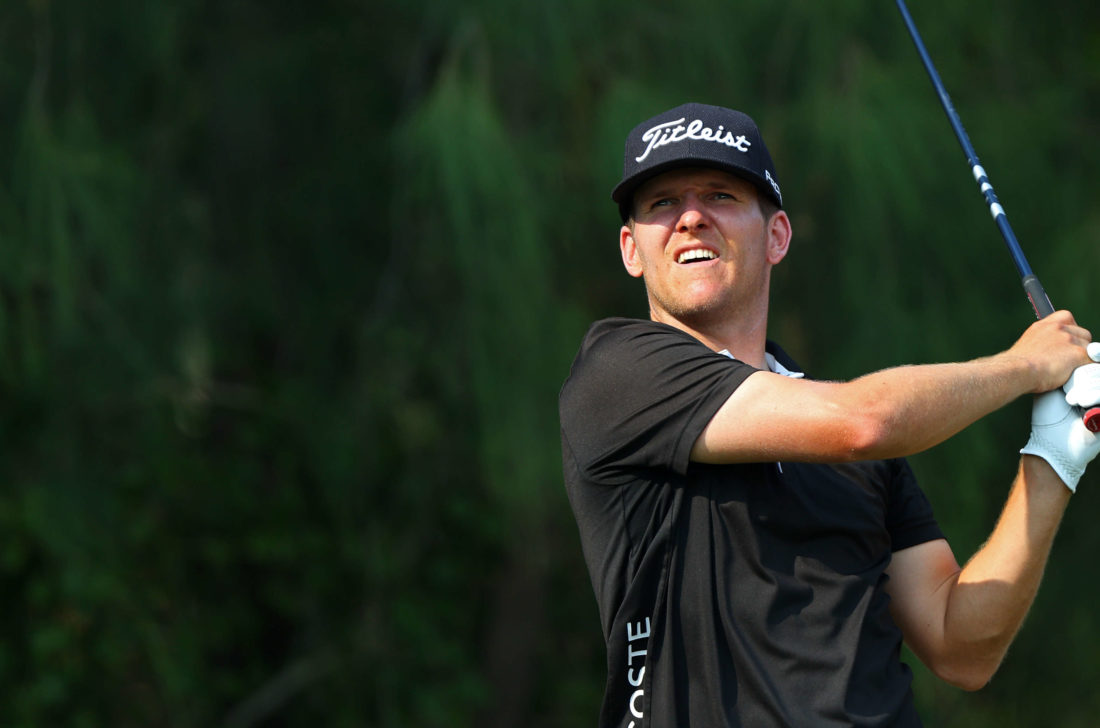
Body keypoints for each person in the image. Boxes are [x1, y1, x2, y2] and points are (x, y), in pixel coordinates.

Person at [558, 102, 1100, 727]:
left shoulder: (855, 444)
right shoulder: (618, 371)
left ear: (777, 236)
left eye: (720, 194)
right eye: (660, 205)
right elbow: (862, 422)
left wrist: (1055, 458)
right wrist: (1025, 365)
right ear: (632, 249)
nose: (690, 218)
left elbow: (961, 646)